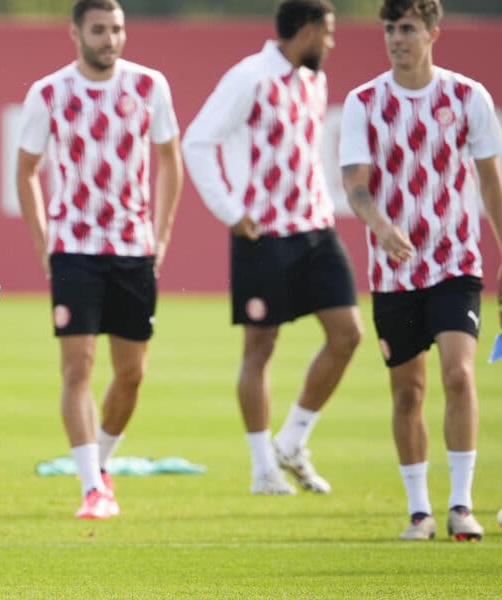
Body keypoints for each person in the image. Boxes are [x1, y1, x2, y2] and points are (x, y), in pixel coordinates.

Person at [182, 0, 363, 495]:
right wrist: (229, 211)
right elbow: (197, 141)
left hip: (317, 228)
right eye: (327, 32)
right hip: (262, 234)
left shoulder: (313, 79)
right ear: (304, 30)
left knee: (348, 334)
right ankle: (263, 467)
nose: (331, 42)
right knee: (260, 347)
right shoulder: (250, 77)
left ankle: (293, 440)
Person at [339, 0, 502, 541]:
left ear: (434, 32)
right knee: (408, 390)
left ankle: (460, 504)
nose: (396, 38)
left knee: (459, 373)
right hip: (395, 270)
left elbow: (490, 184)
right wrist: (380, 226)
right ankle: (418, 510)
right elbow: (356, 185)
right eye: (389, 28)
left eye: (407, 28)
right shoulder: (365, 102)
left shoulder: (467, 96)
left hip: (456, 261)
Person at [14, 0, 183, 520]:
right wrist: (44, 244)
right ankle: (91, 486)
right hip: (74, 248)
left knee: (131, 374)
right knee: (78, 367)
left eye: (117, 29)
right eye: (99, 30)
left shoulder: (150, 85)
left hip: (133, 248)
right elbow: (25, 172)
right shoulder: (48, 92)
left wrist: (161, 234)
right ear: (76, 33)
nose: (110, 39)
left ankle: (100, 466)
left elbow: (170, 161)